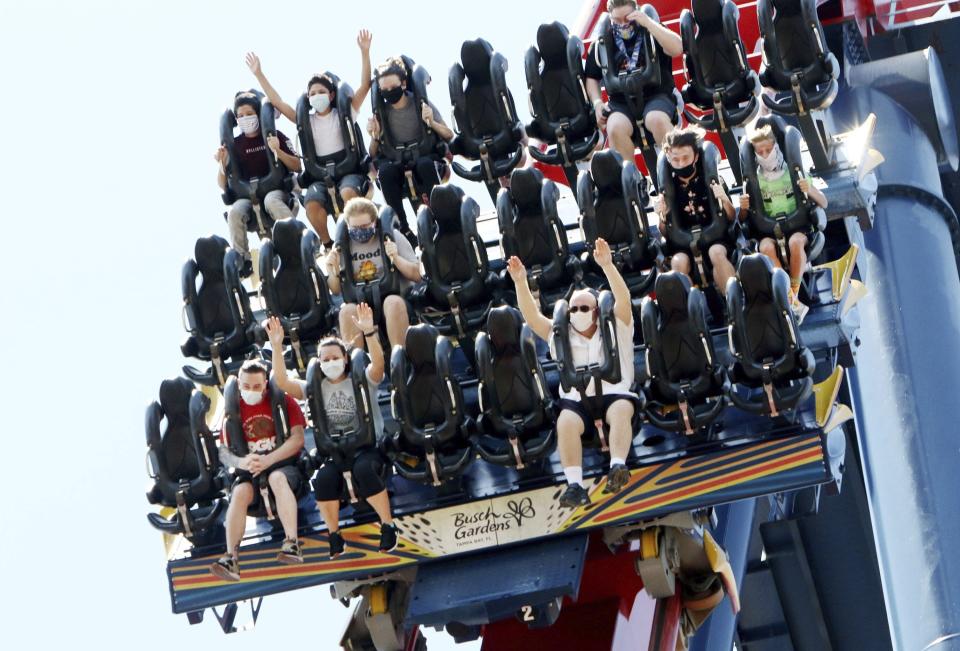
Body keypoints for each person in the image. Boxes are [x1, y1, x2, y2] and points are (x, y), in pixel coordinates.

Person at [507, 238, 638, 507]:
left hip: (614, 396)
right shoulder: (561, 336)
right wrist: (520, 282)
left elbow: (623, 299)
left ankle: (617, 467)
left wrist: (608, 266)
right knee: (565, 421)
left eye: (584, 308)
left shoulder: (616, 326)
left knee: (621, 409)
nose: (578, 313)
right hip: (578, 405)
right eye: (574, 309)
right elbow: (532, 318)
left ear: (597, 311)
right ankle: (575, 485)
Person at [265, 307, 398, 557]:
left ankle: (388, 525)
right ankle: (335, 535)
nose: (330, 363)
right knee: (322, 480)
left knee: (364, 470)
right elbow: (282, 382)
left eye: (334, 358)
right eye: (324, 360)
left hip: (367, 449)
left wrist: (369, 332)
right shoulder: (315, 386)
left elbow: (379, 366)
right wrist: (276, 347)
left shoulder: (360, 378)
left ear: (345, 358)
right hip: (335, 452)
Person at [246, 30, 374, 249]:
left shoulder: (344, 113)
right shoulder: (305, 120)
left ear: (331, 95)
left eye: (321, 91)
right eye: (312, 93)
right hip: (318, 174)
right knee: (312, 204)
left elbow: (364, 85)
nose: (316, 96)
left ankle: (356, 234)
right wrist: (259, 74)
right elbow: (278, 102)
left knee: (347, 193)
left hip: (348, 171)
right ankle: (327, 243)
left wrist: (365, 52)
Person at [210, 359, 306, 582]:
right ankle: (231, 557)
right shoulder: (232, 411)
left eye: (256, 387)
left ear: (265, 385)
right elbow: (223, 453)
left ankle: (292, 543)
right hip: (249, 472)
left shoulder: (283, 402)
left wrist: (268, 459)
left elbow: (298, 438)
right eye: (246, 387)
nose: (250, 391)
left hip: (282, 467)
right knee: (240, 492)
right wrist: (242, 462)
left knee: (276, 478)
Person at [740, 124, 828, 322]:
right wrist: (744, 207)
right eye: (759, 152)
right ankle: (789, 297)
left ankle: (793, 292)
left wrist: (810, 190)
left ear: (776, 146)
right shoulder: (755, 180)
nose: (765, 154)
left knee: (795, 242)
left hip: (797, 227)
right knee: (765, 247)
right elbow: (742, 220)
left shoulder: (794, 172)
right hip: (769, 230)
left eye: (768, 150)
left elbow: (824, 202)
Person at [366, 56, 454, 245]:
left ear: (403, 83)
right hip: (396, 162)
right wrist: (375, 135)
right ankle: (403, 228)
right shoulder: (382, 113)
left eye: (393, 87)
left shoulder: (420, 103)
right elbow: (372, 153)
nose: (390, 93)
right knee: (386, 172)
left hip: (425, 158)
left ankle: (438, 219)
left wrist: (431, 123)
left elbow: (449, 135)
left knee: (424, 165)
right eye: (385, 90)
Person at [585, 0, 683, 164]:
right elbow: (591, 77)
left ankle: (677, 168)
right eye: (617, 20)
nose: (623, 24)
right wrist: (597, 103)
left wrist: (648, 23)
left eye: (627, 18)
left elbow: (677, 48)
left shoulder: (650, 30)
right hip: (621, 101)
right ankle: (630, 179)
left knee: (655, 119)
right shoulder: (603, 42)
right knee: (615, 127)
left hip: (657, 95)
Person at [215, 91, 301, 276]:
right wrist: (222, 163)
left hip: (276, 193)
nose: (245, 119)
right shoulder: (235, 145)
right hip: (248, 199)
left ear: (258, 114)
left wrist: (278, 150)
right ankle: (242, 260)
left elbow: (297, 165)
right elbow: (223, 185)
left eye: (249, 114)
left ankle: (295, 239)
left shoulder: (275, 135)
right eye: (241, 116)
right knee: (234, 212)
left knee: (271, 200)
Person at [325, 197, 421, 349]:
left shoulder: (393, 237)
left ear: (374, 222)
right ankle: (357, 365)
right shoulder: (342, 246)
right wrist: (333, 270)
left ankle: (401, 359)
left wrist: (395, 258)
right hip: (361, 305)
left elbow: (417, 275)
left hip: (395, 301)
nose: (359, 232)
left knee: (392, 302)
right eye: (354, 228)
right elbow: (336, 289)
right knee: (346, 311)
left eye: (364, 226)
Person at [655, 126, 738, 291]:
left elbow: (731, 217)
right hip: (683, 244)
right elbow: (664, 231)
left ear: (696, 156)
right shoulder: (669, 188)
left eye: (685, 158)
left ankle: (732, 301)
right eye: (675, 160)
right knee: (678, 262)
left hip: (716, 238)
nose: (680, 163)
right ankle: (689, 312)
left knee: (716, 253)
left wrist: (724, 198)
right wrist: (661, 215)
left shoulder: (711, 179)